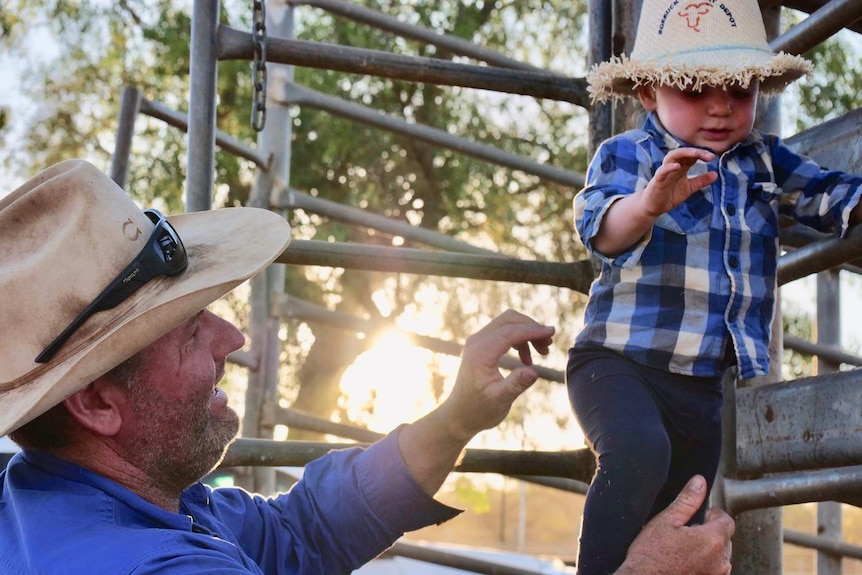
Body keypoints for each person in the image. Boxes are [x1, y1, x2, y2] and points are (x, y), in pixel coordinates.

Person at [0, 159, 733, 574]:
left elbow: (299, 531)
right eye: (191, 332)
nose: (232, 339)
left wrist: (455, 417)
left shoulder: (89, 501)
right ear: (97, 402)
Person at [568, 1, 862, 573]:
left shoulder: (766, 161)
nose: (722, 107)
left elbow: (827, 195)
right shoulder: (628, 155)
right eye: (695, 89)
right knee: (638, 451)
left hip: (701, 388)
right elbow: (600, 228)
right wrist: (648, 205)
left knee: (687, 508)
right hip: (618, 364)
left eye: (740, 89)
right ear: (649, 93)